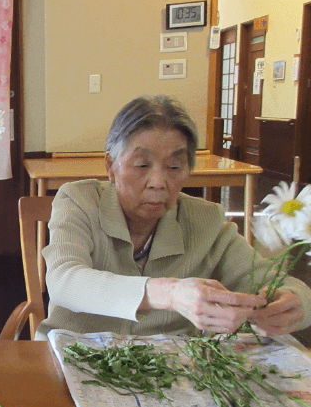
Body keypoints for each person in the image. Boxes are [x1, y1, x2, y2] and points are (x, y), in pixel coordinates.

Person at [36, 95, 311, 340]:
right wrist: (169, 294)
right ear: (111, 166)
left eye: (174, 166)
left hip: (168, 373)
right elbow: (64, 281)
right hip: (72, 358)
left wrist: (292, 303)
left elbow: (274, 282)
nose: (158, 182)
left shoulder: (206, 220)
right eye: (142, 165)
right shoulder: (78, 201)